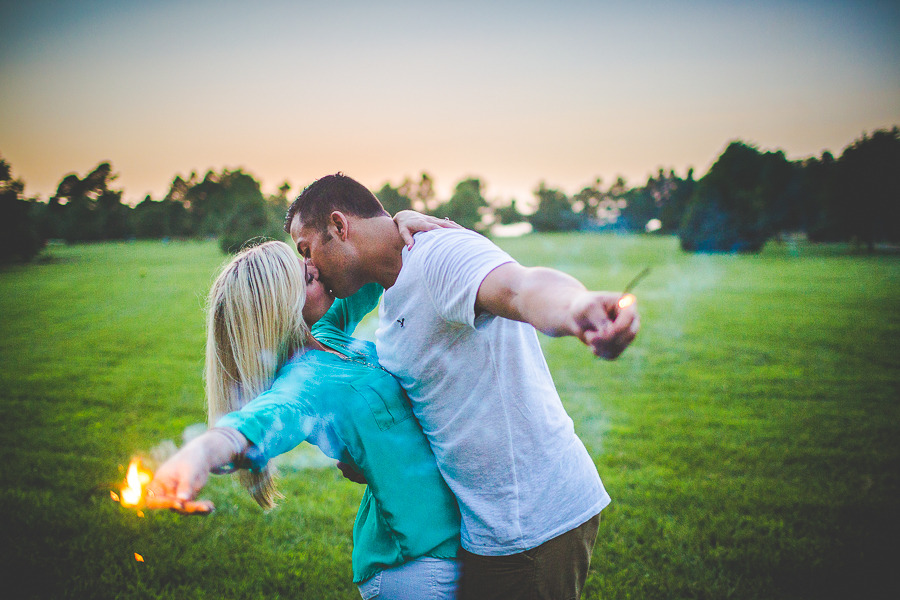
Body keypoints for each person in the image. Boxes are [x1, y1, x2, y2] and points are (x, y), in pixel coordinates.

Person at [285, 173, 640, 600]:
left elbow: (520, 287)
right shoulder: (390, 290)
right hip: (484, 527)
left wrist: (577, 306)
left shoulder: (439, 255)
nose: (307, 267)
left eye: (306, 250)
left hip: (529, 523)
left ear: (340, 227)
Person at [148, 234, 464, 599]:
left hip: (440, 539)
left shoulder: (328, 329)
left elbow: (376, 262)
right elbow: (260, 421)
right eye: (308, 276)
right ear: (283, 309)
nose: (316, 265)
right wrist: (201, 451)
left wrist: (404, 224)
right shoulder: (302, 386)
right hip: (414, 567)